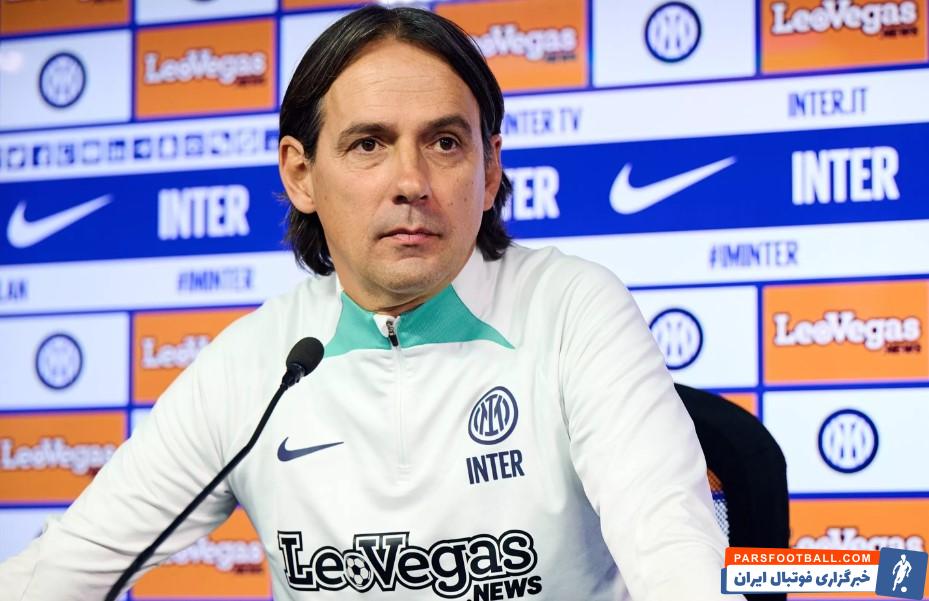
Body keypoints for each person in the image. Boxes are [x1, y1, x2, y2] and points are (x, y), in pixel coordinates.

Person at [0, 6, 736, 600]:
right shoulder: (257, 361)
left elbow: (671, 547)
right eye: (367, 145)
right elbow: (67, 566)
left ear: (489, 171)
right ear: (301, 175)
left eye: (444, 143)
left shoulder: (572, 307)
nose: (410, 181)